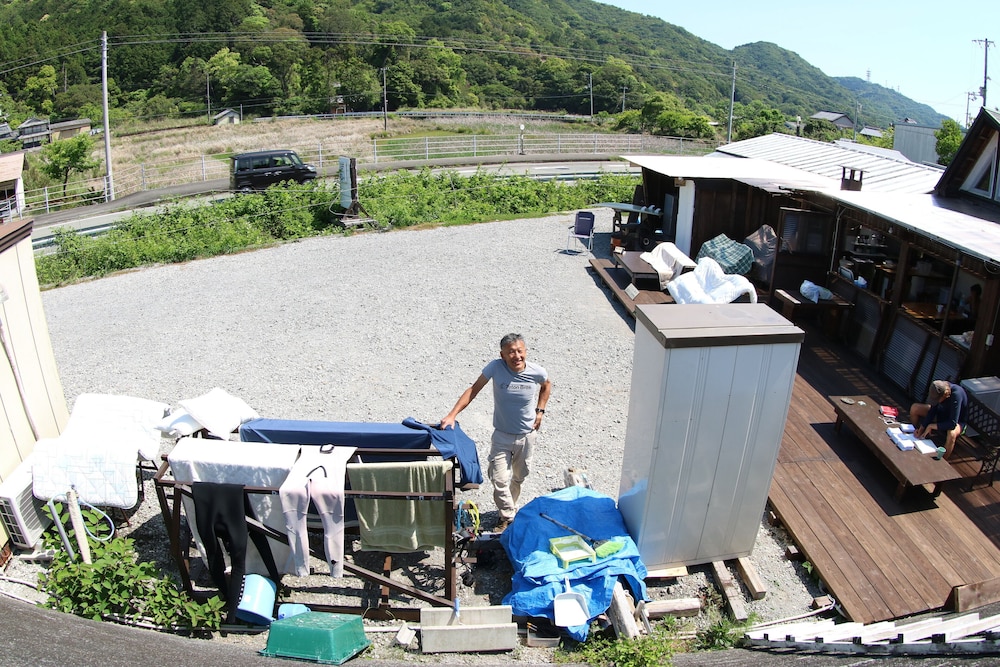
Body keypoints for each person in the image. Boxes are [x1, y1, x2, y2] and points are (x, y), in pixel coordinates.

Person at [441, 333, 551, 532]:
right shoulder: (495, 368)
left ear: (525, 351)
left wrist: (540, 410)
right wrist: (452, 415)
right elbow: (473, 390)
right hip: (502, 435)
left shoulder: (537, 372)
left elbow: (546, 385)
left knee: (520, 476)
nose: (516, 356)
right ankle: (509, 518)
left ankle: (507, 512)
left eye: (519, 351)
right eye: (511, 352)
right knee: (499, 479)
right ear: (502, 355)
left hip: (527, 436)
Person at [910, 379, 968, 460]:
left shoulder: (956, 394)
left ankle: (942, 459)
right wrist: (922, 427)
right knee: (915, 408)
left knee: (951, 434)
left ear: (945, 395)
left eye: (937, 400)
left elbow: (952, 423)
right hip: (940, 415)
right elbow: (932, 410)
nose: (935, 401)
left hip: (956, 422)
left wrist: (931, 426)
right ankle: (913, 434)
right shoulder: (939, 387)